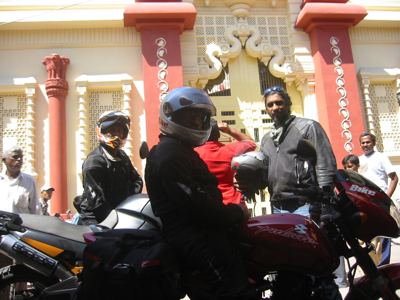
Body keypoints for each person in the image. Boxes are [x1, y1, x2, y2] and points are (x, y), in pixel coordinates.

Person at [145, 86, 257, 300]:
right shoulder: (171, 155)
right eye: (191, 118)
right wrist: (237, 212)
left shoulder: (179, 149)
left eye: (201, 118)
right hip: (198, 239)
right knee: (234, 292)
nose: (197, 124)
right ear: (171, 117)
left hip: (201, 233)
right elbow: (198, 205)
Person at [259, 86, 347, 289]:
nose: (275, 107)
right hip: (279, 206)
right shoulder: (267, 139)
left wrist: (325, 201)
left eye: (279, 103)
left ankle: (330, 291)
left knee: (316, 258)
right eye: (270, 104)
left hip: (304, 204)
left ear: (288, 104)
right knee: (290, 258)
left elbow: (325, 162)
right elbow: (267, 171)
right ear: (266, 109)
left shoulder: (307, 127)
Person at [78, 111, 143, 225]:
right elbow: (97, 203)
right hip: (95, 220)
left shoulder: (122, 157)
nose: (117, 135)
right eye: (113, 131)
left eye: (120, 131)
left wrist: (128, 202)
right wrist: (117, 219)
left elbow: (137, 180)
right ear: (103, 131)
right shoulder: (94, 162)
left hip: (120, 214)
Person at [359, 131, 398, 266]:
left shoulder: (381, 157)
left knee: (384, 232)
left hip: (380, 201)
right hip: (365, 201)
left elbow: (394, 178)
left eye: (368, 142)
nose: (365, 145)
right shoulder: (359, 160)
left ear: (374, 143)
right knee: (369, 232)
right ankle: (373, 263)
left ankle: (383, 264)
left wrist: (386, 197)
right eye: (363, 143)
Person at [195, 119, 256, 205]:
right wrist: (229, 130)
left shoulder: (194, 153)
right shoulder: (231, 150)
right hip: (234, 204)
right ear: (218, 134)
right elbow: (251, 142)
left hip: (208, 205)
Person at [0, 145, 40, 214]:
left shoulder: (29, 181)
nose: (19, 159)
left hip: (20, 224)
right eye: (15, 157)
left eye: (21, 157)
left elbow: (35, 210)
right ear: (4, 160)